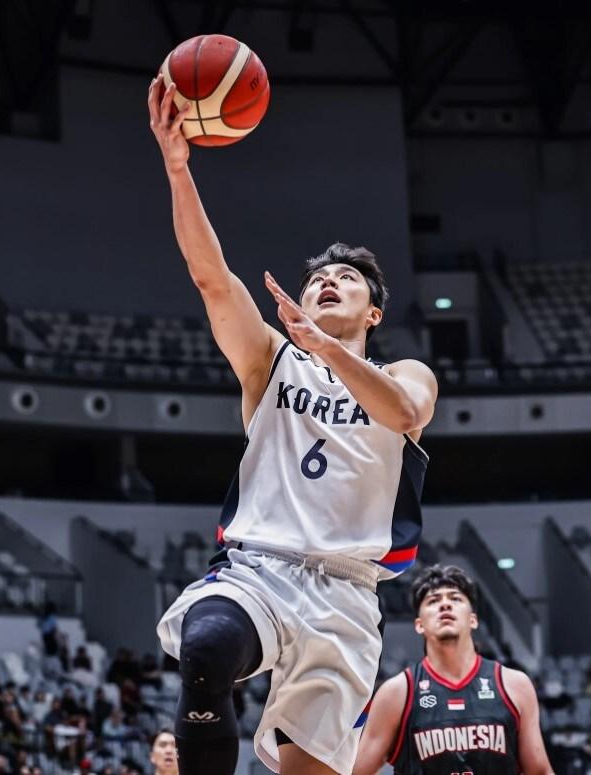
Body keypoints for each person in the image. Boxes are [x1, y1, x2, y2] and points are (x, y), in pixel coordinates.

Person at [148, 75, 438, 775]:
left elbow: (404, 414)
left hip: (346, 596)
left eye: (347, 279)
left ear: (374, 313)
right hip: (259, 570)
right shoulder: (271, 361)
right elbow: (212, 278)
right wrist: (178, 169)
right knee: (206, 646)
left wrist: (328, 348)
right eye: (317, 280)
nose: (329, 282)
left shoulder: (407, 372)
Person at [353, 565, 553, 775]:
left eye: (455, 599)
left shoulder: (515, 685)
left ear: (473, 620)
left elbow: (539, 771)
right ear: (419, 625)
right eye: (433, 601)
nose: (445, 604)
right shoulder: (397, 692)